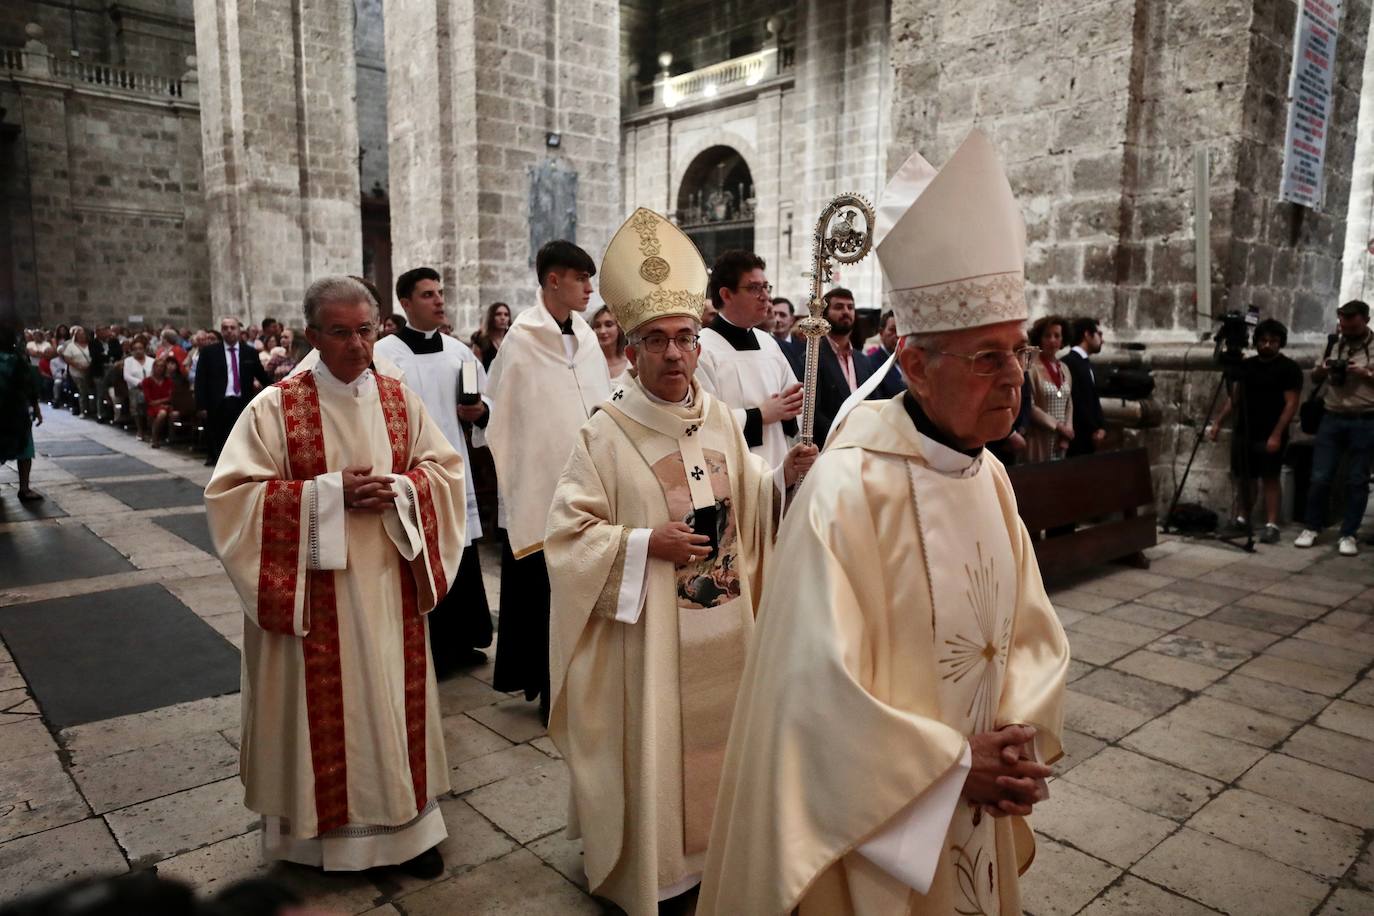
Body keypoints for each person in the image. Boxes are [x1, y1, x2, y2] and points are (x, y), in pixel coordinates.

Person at [698, 130, 1068, 916]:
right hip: (882, 829)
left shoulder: (992, 477)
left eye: (1017, 352)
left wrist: (1015, 739)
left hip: (979, 807)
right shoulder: (846, 489)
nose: (1013, 381)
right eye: (986, 358)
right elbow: (811, 696)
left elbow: (1033, 634)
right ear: (914, 364)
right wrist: (948, 766)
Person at [545, 209, 816, 915]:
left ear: (700, 344)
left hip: (728, 626)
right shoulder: (603, 435)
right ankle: (661, 874)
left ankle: (719, 856)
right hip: (650, 643)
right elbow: (569, 537)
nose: (673, 354)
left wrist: (783, 479)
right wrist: (641, 545)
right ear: (629, 351)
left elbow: (749, 506)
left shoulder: (723, 418)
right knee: (657, 754)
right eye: (656, 341)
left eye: (684, 339)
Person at [205, 275, 466, 878]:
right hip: (312, 599)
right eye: (340, 332)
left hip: (386, 588)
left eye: (365, 330)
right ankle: (311, 840)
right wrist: (327, 497)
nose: (356, 344)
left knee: (392, 707)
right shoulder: (276, 406)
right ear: (311, 334)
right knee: (321, 715)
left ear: (380, 329)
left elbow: (444, 473)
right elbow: (231, 497)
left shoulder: (400, 401)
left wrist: (402, 490)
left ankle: (408, 832)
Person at [478, 240, 611, 720]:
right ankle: (548, 682)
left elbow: (600, 402)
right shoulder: (522, 337)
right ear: (554, 280)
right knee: (544, 594)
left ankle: (588, 683)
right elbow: (505, 419)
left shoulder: (588, 337)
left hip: (590, 483)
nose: (589, 290)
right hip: (543, 486)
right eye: (581, 279)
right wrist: (524, 481)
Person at [375, 266, 495, 673]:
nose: (439, 300)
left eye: (440, 293)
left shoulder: (460, 352)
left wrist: (479, 412)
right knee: (421, 554)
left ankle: (464, 640)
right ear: (406, 304)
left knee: (458, 552)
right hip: (409, 473)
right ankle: (429, 646)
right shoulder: (384, 354)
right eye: (428, 295)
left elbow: (484, 404)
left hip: (453, 467)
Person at [697, 250, 803, 467]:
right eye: (754, 288)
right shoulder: (701, 348)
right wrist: (759, 416)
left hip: (780, 467)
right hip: (732, 473)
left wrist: (794, 407)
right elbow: (702, 421)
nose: (766, 296)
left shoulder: (768, 343)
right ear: (726, 294)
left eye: (766, 287)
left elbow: (793, 409)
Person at [1205, 318, 1301, 543]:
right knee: (1245, 478)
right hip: (1245, 429)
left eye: (1273, 341)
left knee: (1270, 477)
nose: (1268, 345)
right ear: (1256, 341)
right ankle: (1242, 519)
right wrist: (1218, 421)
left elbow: (1291, 404)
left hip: (1270, 430)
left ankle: (1271, 524)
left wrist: (1276, 434)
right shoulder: (1247, 366)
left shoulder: (1289, 368)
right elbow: (1235, 398)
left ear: (1281, 343)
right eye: (1263, 340)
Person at [1295, 299, 1374, 556]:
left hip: (1365, 418)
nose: (1347, 331)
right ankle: (1311, 527)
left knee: (1357, 480)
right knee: (1319, 477)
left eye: (1353, 326)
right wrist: (1322, 370)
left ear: (1366, 321)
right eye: (1343, 325)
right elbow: (1315, 377)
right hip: (1332, 416)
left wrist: (1366, 374)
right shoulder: (1333, 344)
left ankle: (1348, 533)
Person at [194, 315, 273, 466]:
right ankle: (220, 464)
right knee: (218, 435)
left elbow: (261, 376)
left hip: (241, 401)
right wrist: (201, 405)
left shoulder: (249, 352)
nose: (229, 331)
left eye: (232, 328)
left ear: (238, 330)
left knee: (239, 436)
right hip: (218, 401)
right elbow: (201, 380)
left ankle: (238, 464)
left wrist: (276, 388)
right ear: (221, 331)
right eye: (225, 328)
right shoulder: (209, 353)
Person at [812, 287, 879, 446]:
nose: (846, 311)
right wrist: (843, 436)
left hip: (865, 444)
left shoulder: (863, 360)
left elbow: (875, 401)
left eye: (850, 307)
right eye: (839, 307)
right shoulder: (813, 356)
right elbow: (812, 411)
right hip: (830, 445)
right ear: (825, 314)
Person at [0, 321, 43, 502]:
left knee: (24, 448)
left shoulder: (17, 358)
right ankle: (24, 488)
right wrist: (35, 406)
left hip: (15, 408)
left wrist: (34, 405)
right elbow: (29, 384)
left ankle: (25, 488)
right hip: (16, 408)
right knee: (24, 449)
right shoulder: (17, 357)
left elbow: (27, 383)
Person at [1026, 314, 1073, 462]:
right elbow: (1030, 406)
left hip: (1061, 440)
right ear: (1040, 339)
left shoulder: (1064, 368)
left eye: (1057, 336)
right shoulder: (1031, 369)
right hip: (1039, 437)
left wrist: (1068, 431)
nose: (1052, 340)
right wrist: (1058, 426)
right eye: (1047, 336)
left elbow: (1069, 403)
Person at [1062, 317, 1107, 456]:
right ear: (1087, 335)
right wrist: (1093, 429)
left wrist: (1101, 427)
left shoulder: (1086, 363)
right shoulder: (1069, 362)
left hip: (1089, 439)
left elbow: (1093, 399)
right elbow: (1076, 400)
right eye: (1099, 334)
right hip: (1077, 439)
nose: (1102, 340)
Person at [122, 336, 155, 441]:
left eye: (140, 348)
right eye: (135, 349)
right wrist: (139, 383)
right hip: (136, 388)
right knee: (137, 409)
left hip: (150, 388)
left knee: (149, 409)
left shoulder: (151, 360)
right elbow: (127, 376)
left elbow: (155, 373)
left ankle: (150, 431)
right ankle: (140, 430)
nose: (138, 351)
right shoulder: (128, 361)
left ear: (144, 349)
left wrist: (148, 383)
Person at [91, 326, 124, 423]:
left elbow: (118, 353)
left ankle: (112, 413)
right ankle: (100, 413)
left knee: (113, 393)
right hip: (99, 371)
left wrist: (106, 355)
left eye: (106, 331)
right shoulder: (93, 343)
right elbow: (96, 356)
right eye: (103, 331)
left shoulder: (114, 341)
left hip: (113, 370)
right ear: (97, 332)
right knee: (101, 393)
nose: (106, 333)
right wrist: (108, 356)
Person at [59, 326, 94, 417]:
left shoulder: (91, 344)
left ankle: (91, 408)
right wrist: (78, 365)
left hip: (90, 370)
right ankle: (83, 410)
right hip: (76, 371)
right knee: (82, 391)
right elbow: (67, 358)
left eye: (83, 335)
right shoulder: (71, 346)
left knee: (90, 391)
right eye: (79, 335)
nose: (82, 337)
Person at [142, 355, 175, 448]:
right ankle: (154, 437)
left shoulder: (169, 381)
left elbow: (171, 397)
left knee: (167, 412)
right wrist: (163, 401)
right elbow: (149, 401)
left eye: (162, 366)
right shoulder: (147, 381)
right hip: (152, 407)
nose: (159, 368)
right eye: (157, 366)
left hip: (166, 406)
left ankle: (165, 437)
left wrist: (163, 402)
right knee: (162, 413)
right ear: (153, 367)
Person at [590, 304, 629, 383]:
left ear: (619, 328)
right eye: (597, 326)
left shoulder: (632, 363)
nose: (602, 331)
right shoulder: (587, 364)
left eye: (608, 325)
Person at [478, 301, 511, 369]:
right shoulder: (480, 339)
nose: (503, 318)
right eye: (498, 314)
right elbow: (477, 368)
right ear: (491, 317)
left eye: (506, 314)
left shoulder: (512, 339)